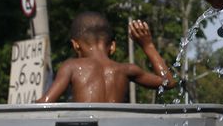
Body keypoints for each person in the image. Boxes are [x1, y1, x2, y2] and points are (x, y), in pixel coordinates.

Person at [36, 13, 175, 103]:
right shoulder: (126, 70)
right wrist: (148, 45)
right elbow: (168, 82)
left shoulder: (71, 67)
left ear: (75, 45)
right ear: (113, 46)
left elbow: (44, 104)